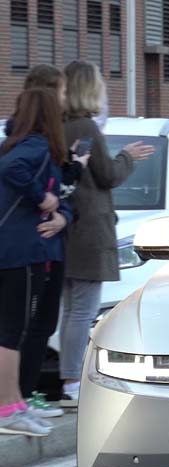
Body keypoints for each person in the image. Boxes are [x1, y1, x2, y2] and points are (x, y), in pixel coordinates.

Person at [59, 61, 154, 408]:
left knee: (72, 309)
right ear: (89, 88)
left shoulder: (63, 125)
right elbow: (106, 175)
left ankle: (69, 378)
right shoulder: (86, 126)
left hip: (69, 230)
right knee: (82, 310)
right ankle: (71, 382)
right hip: (89, 231)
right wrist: (127, 157)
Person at [6, 65, 87, 419]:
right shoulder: (32, 142)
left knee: (38, 324)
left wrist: (63, 216)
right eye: (63, 93)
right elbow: (18, 175)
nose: (67, 99)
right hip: (28, 248)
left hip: (47, 245)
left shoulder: (45, 141)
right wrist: (46, 199)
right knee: (19, 328)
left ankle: (22, 398)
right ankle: (16, 400)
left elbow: (64, 196)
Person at [0, 88, 70, 436]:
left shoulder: (14, 142)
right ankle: (8, 409)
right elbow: (12, 170)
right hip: (20, 252)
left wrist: (58, 211)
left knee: (11, 330)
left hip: (14, 250)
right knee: (12, 331)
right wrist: (42, 196)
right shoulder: (36, 147)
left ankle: (15, 404)